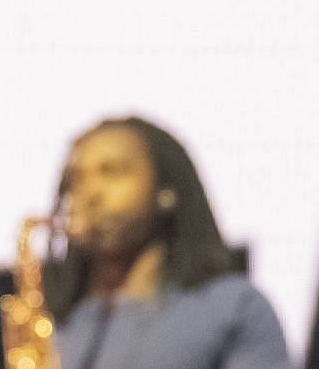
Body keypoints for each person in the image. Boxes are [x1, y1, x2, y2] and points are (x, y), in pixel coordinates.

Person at [45, 115, 293, 369]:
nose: (89, 193)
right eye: (75, 179)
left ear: (165, 192)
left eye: (113, 172)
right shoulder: (53, 323)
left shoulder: (234, 307)